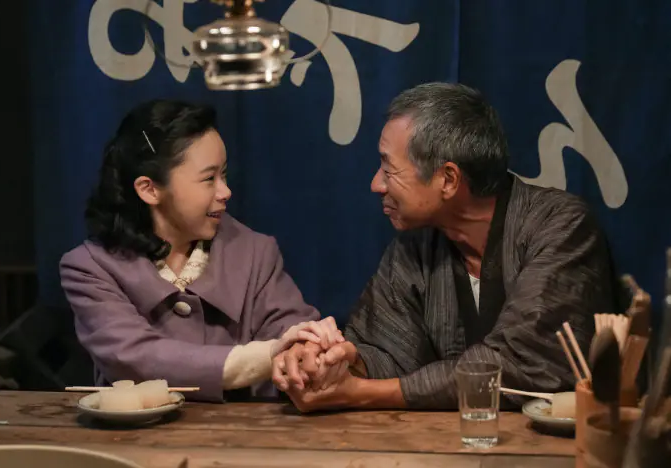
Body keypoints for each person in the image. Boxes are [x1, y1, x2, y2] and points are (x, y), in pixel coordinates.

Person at [271, 82, 622, 412]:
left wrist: (361, 394)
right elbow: (384, 350)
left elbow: (520, 363)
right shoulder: (415, 246)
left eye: (389, 169)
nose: (376, 184)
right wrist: (335, 361)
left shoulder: (562, 227)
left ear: (448, 179)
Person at [60, 100, 341, 402]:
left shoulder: (254, 251)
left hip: (244, 429)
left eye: (224, 175)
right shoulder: (89, 267)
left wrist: (306, 346)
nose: (225, 192)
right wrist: (268, 354)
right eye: (209, 179)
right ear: (149, 189)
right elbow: (134, 357)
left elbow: (290, 325)